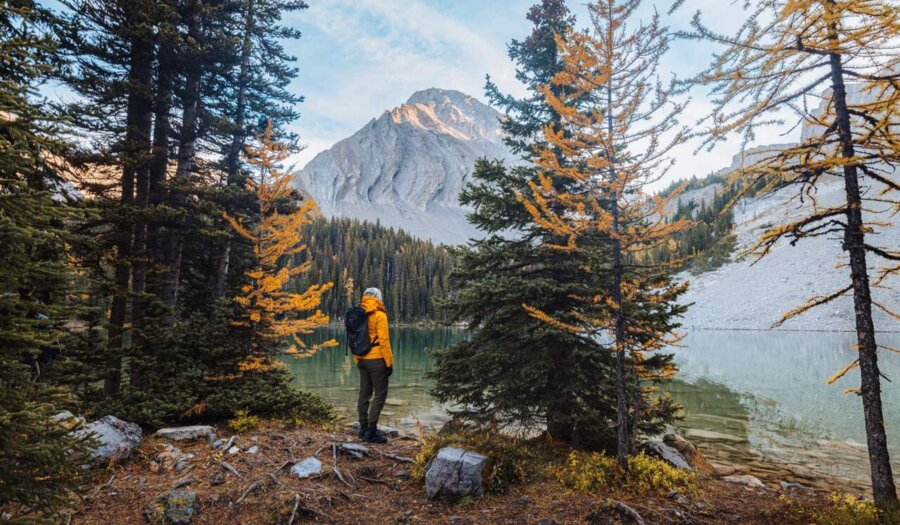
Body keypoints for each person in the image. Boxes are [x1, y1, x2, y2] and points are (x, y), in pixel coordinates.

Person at [355, 287, 393, 443]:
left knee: (364, 394)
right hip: (377, 360)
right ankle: (371, 432)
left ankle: (363, 429)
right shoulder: (379, 315)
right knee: (379, 395)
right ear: (379, 297)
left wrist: (357, 359)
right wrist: (389, 363)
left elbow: (355, 338)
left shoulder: (359, 314)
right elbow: (384, 341)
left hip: (361, 359)